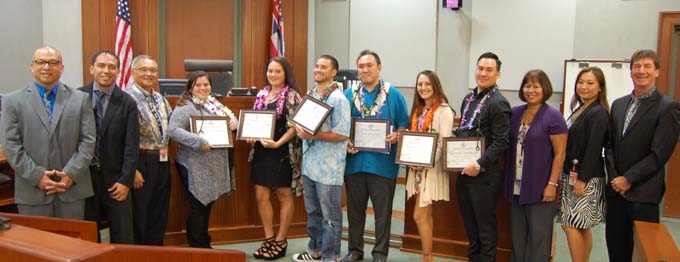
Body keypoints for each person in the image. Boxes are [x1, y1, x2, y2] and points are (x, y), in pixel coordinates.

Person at [0, 46, 96, 219]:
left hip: (72, 190)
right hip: (32, 191)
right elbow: (11, 146)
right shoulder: (12, 101)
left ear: (61, 67)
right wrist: (37, 176)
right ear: (32, 66)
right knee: (36, 245)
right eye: (41, 62)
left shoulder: (80, 99)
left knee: (71, 245)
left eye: (53, 62)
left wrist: (71, 174)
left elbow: (88, 141)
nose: (47, 67)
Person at [605, 49, 680, 261]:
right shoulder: (619, 105)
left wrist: (629, 179)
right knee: (616, 251)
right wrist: (615, 179)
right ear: (630, 72)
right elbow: (609, 146)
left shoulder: (668, 108)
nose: (641, 71)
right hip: (616, 193)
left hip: (644, 194)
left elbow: (659, 154)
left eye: (647, 66)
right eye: (637, 66)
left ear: (657, 72)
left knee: (644, 253)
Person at [342, 50, 409, 262]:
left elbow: (404, 126)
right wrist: (346, 141)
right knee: (354, 213)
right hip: (354, 164)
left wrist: (397, 134)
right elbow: (339, 127)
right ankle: (355, 250)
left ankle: (380, 254)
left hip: (383, 166)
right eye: (361, 66)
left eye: (369, 65)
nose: (365, 70)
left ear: (379, 67)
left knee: (382, 214)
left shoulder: (394, 95)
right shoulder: (348, 95)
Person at [168, 71, 238, 248]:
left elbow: (231, 120)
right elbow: (173, 130)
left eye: (206, 84)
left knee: (206, 205)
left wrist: (234, 122)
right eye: (198, 85)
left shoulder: (215, 105)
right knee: (198, 206)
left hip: (212, 166)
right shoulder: (186, 106)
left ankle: (204, 243)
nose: (202, 88)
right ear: (190, 88)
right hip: (193, 165)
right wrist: (199, 142)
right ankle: (198, 247)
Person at [291, 55, 351, 262]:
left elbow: (343, 134)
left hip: (329, 169)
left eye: (323, 67)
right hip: (309, 165)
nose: (318, 69)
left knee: (330, 217)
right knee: (313, 213)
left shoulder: (338, 99)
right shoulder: (311, 94)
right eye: (316, 66)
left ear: (334, 72)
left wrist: (311, 135)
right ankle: (315, 251)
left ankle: (331, 256)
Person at [504, 69, 567, 261]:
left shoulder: (553, 117)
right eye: (527, 86)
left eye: (536, 86)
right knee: (518, 237)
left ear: (545, 89)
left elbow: (560, 154)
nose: (531, 90)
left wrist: (552, 184)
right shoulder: (514, 113)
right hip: (515, 186)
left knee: (539, 238)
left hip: (540, 187)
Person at [454, 52, 511, 262]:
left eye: (489, 70)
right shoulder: (468, 99)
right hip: (464, 173)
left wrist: (478, 163)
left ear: (498, 74)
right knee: (470, 224)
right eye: (480, 68)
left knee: (484, 225)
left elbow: (501, 142)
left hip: (485, 176)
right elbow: (464, 131)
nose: (483, 73)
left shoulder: (499, 103)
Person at [79, 50, 139, 244]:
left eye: (112, 67)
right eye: (101, 66)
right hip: (83, 178)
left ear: (118, 71)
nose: (106, 71)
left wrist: (125, 181)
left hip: (116, 181)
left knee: (123, 234)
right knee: (87, 233)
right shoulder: (77, 97)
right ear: (91, 69)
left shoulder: (127, 102)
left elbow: (132, 146)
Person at [249, 57, 302, 260]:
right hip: (261, 152)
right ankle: (268, 238)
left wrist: (278, 143)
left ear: (285, 73)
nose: (273, 75)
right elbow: (254, 119)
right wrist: (250, 134)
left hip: (282, 152)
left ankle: (281, 240)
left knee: (283, 196)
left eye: (277, 71)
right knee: (261, 196)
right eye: (270, 71)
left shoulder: (293, 96)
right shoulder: (262, 94)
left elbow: (295, 126)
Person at [556, 67, 609, 262]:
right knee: (580, 224)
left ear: (600, 88)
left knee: (570, 224)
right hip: (574, 174)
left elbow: (594, 149)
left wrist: (582, 180)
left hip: (585, 178)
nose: (584, 87)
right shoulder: (580, 108)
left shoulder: (599, 113)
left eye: (590, 83)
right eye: (581, 82)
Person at [404, 70, 454, 262]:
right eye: (419, 84)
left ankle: (427, 257)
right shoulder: (418, 110)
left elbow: (444, 143)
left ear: (435, 86)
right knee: (425, 215)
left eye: (427, 84)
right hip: (416, 171)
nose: (423, 88)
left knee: (419, 215)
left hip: (431, 170)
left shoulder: (444, 110)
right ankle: (428, 256)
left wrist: (426, 161)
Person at [124, 55, 173, 246]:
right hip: (140, 161)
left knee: (159, 210)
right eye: (143, 69)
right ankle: (141, 253)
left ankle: (156, 251)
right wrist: (132, 169)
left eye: (152, 70)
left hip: (161, 160)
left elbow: (173, 123)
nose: (149, 74)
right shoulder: (126, 98)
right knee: (141, 212)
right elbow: (123, 138)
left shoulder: (160, 98)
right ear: (133, 72)